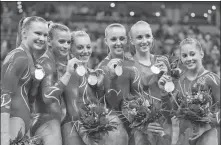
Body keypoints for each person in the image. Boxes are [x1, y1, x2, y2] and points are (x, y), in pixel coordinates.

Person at [1, 16, 48, 145]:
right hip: (13, 117)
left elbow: (30, 97)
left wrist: (37, 82)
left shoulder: (31, 59)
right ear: (24, 33)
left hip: (24, 118)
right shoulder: (17, 56)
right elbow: (4, 95)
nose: (42, 38)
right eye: (38, 33)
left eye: (45, 35)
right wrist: (3, 135)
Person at [30, 22, 77, 145]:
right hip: (46, 121)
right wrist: (67, 74)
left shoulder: (51, 61)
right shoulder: (46, 63)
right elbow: (47, 97)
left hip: (49, 119)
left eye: (68, 42)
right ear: (49, 41)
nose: (66, 46)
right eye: (61, 41)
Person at [97, 23, 144, 145]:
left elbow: (140, 94)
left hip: (135, 120)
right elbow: (110, 101)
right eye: (113, 39)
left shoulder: (134, 64)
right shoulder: (101, 68)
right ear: (106, 41)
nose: (118, 43)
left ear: (127, 39)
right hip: (114, 123)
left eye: (122, 38)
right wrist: (111, 78)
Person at [128, 20, 173, 145]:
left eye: (148, 36)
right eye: (139, 37)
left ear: (152, 38)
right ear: (131, 41)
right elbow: (124, 103)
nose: (144, 40)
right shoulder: (128, 66)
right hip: (139, 130)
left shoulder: (162, 61)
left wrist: (166, 77)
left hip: (163, 126)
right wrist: (142, 126)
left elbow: (172, 99)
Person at [168, 37, 220, 145]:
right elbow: (173, 112)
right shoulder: (179, 80)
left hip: (207, 136)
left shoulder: (212, 79)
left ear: (201, 54)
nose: (188, 58)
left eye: (192, 54)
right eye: (184, 55)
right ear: (181, 58)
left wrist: (206, 127)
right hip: (184, 137)